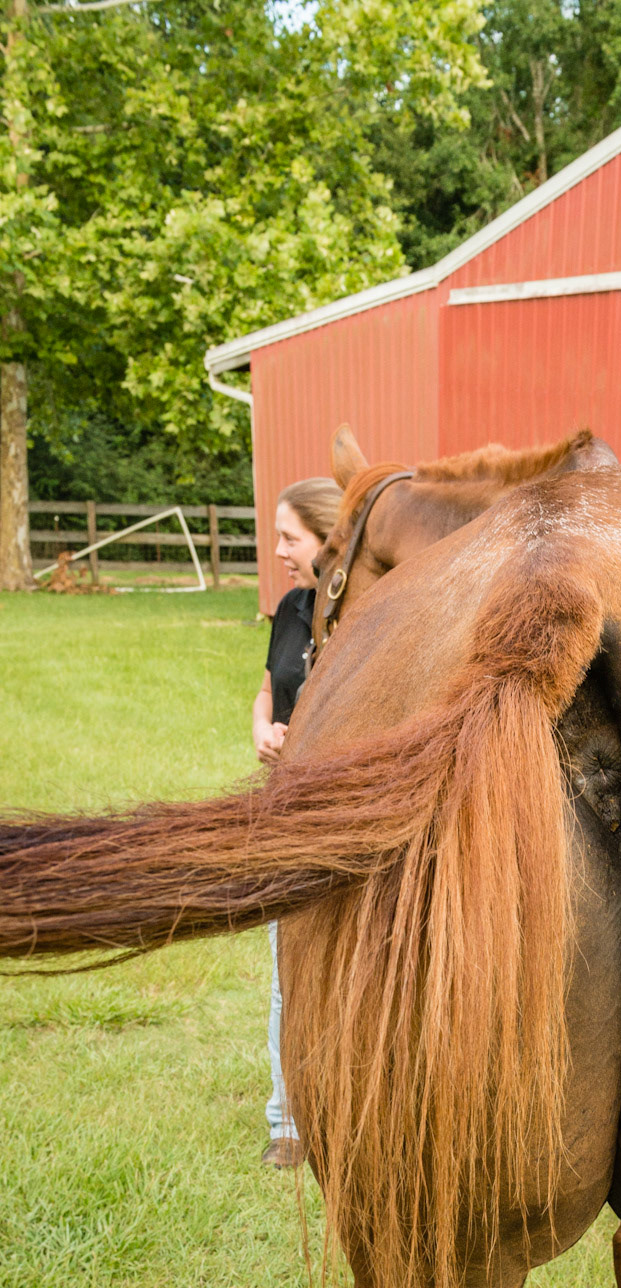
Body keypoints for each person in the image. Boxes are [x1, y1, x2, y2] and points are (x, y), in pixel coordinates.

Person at [252, 478, 343, 1166]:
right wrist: (264, 729)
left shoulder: (366, 618)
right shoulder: (290, 609)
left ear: (329, 540)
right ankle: (287, 1120)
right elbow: (267, 688)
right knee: (290, 967)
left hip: (343, 814)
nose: (278, 549)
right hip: (288, 808)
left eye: (291, 537)